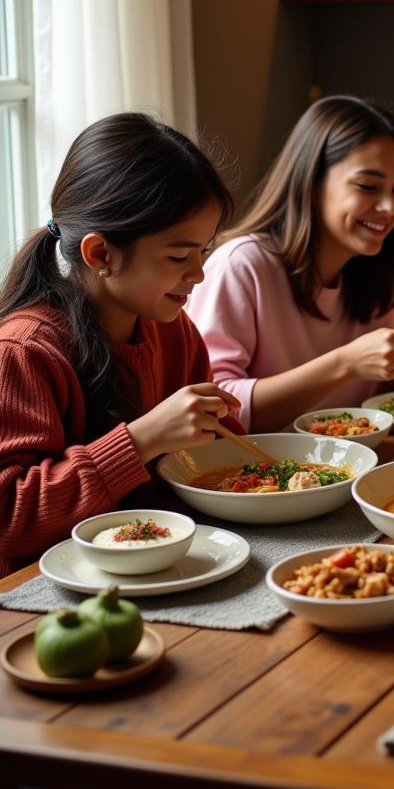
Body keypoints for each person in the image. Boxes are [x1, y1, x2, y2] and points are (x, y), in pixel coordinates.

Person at [0, 113, 239, 580]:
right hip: (42, 598)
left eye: (204, 252)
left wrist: (220, 429)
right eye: (178, 256)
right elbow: (9, 518)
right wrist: (142, 438)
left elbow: (208, 459)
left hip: (161, 568)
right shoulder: (24, 352)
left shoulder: (174, 330)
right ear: (100, 254)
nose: (199, 274)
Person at [188, 95, 394, 433]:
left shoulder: (368, 274)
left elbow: (370, 399)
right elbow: (215, 406)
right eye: (368, 186)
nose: (390, 207)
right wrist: (346, 363)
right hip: (255, 478)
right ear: (312, 184)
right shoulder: (241, 265)